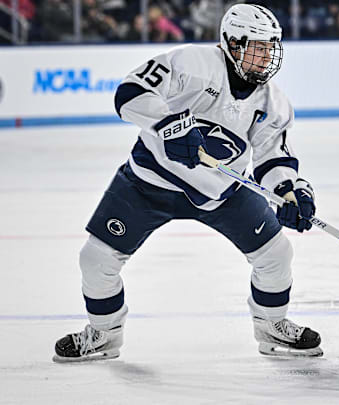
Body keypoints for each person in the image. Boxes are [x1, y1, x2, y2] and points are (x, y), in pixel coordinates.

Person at [53, 3, 323, 362]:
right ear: (232, 42)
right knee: (96, 258)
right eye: (257, 47)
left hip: (221, 193)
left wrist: (288, 191)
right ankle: (104, 334)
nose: (266, 57)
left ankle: (272, 325)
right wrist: (169, 125)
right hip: (148, 183)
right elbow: (130, 93)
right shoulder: (191, 64)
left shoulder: (273, 104)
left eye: (271, 48)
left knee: (276, 254)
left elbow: (272, 157)